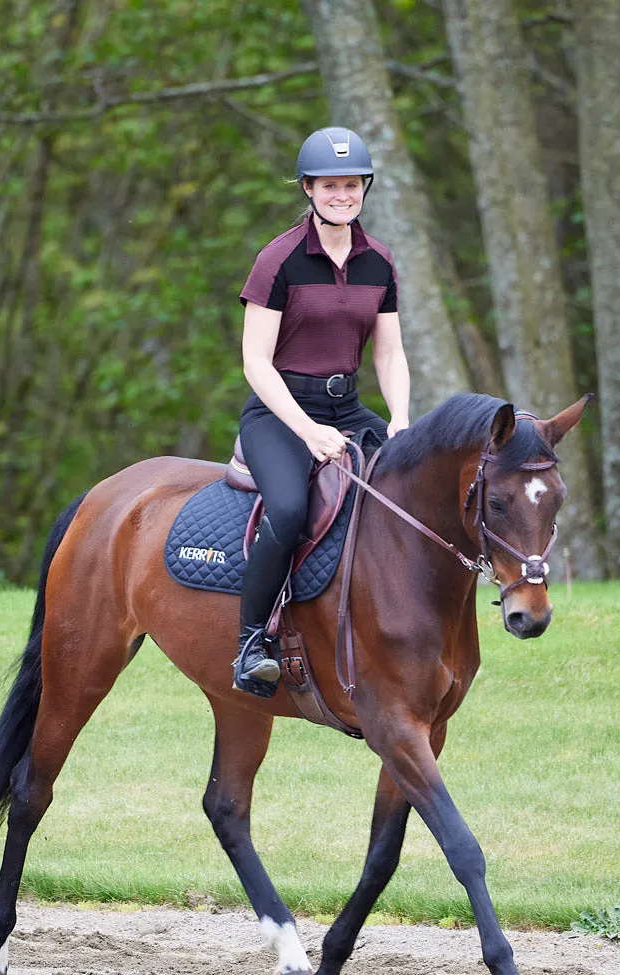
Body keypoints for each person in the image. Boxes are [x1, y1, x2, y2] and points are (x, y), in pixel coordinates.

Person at [233, 125, 411, 696]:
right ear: (308, 188)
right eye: (330, 185)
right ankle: (251, 642)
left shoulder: (379, 263)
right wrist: (307, 431)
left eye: (352, 185)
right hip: (279, 412)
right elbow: (255, 361)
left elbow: (389, 353)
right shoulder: (278, 259)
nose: (342, 195)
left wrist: (401, 421)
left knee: (414, 490)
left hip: (350, 409)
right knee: (287, 509)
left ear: (365, 188)